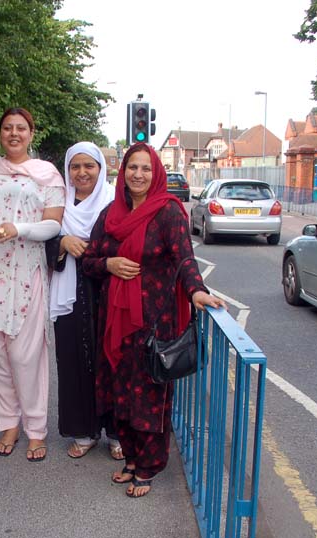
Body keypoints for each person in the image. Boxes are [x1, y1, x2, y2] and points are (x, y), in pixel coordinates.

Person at [82, 142, 226, 498]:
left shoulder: (169, 213)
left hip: (154, 322)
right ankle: (130, 458)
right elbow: (89, 261)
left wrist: (196, 292)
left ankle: (148, 466)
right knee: (120, 391)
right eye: (132, 167)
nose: (138, 175)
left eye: (146, 168)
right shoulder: (110, 214)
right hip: (116, 320)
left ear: (156, 172)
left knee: (150, 394)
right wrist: (109, 264)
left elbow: (184, 260)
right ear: (123, 171)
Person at [0, 108, 65, 462]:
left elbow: (53, 225)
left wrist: (19, 228)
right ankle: (8, 422)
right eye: (8, 128)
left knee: (25, 354)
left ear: (32, 133)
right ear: (0, 133)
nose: (14, 134)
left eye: (21, 128)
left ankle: (36, 429)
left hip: (26, 271)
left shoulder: (47, 175)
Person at [45, 142, 121, 460]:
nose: (82, 172)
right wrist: (62, 241)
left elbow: (126, 242)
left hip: (108, 290)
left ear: (100, 169)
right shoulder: (58, 204)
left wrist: (94, 248)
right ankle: (84, 430)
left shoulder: (115, 202)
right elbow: (44, 241)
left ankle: (118, 433)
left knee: (113, 359)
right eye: (75, 166)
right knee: (74, 359)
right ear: (68, 171)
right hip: (70, 293)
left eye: (89, 165)